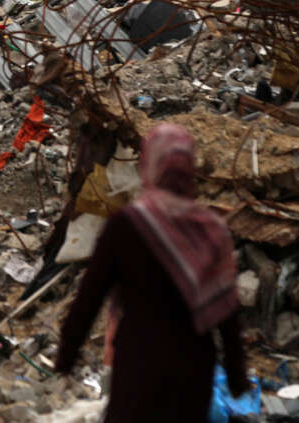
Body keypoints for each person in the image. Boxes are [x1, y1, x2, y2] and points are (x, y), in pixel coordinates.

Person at [55, 122, 249, 422]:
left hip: (139, 361)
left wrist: (66, 355)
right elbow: (228, 313)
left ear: (150, 165)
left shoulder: (127, 225)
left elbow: (89, 297)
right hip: (192, 369)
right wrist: (237, 376)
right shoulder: (211, 230)